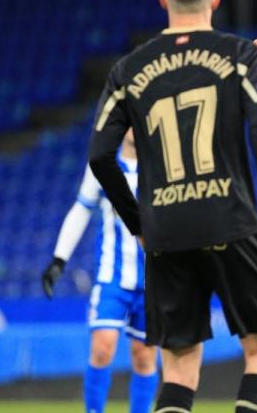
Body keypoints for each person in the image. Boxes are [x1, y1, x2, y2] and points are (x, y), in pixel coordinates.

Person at [88, 0, 257, 413]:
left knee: (180, 368)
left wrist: (140, 223)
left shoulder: (128, 70)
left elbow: (99, 155)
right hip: (231, 222)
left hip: (166, 231)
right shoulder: (240, 55)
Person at [42, 130, 158, 413]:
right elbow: (81, 209)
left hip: (154, 277)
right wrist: (59, 259)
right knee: (103, 347)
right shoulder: (103, 164)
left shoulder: (161, 164)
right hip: (112, 276)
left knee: (144, 356)